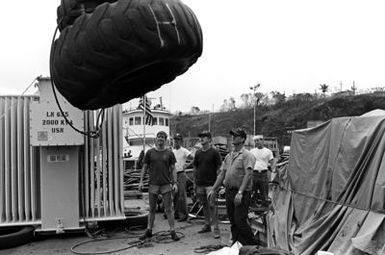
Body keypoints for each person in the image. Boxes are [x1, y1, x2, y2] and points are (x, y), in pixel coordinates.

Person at [209, 128, 258, 245]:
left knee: (240, 220)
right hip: (229, 192)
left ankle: (254, 246)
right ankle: (237, 244)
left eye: (236, 136)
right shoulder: (229, 156)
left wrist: (240, 193)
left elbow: (249, 174)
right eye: (232, 136)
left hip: (240, 193)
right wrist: (214, 189)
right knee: (233, 221)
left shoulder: (247, 155)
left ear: (242, 139)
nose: (233, 138)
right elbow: (222, 174)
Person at [138, 131, 180, 241]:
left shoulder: (170, 153)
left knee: (169, 209)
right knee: (151, 209)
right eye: (159, 137)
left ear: (165, 140)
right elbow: (144, 167)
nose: (160, 139)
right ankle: (149, 230)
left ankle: (172, 231)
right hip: (153, 185)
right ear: (156, 139)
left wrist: (175, 183)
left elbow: (173, 169)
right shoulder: (150, 153)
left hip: (166, 185)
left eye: (163, 137)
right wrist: (141, 181)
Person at [193, 130, 222, 239]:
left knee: (212, 205)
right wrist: (195, 182)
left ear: (209, 139)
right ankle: (207, 225)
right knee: (204, 205)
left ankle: (216, 229)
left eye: (204, 137)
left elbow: (220, 168)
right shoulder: (198, 153)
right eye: (200, 137)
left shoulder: (214, 152)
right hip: (200, 183)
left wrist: (217, 185)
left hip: (211, 184)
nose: (201, 139)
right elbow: (195, 167)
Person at [249, 135, 276, 207]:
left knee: (264, 190)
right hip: (254, 173)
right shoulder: (252, 151)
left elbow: (272, 162)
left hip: (263, 173)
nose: (257, 142)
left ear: (262, 141)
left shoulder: (268, 151)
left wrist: (273, 171)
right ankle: (252, 205)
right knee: (253, 190)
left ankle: (264, 205)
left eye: (259, 140)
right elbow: (249, 162)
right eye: (256, 141)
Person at [172, 133, 193, 222]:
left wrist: (187, 166)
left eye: (178, 140)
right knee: (175, 195)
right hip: (173, 175)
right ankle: (176, 213)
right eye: (175, 139)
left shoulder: (184, 151)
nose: (176, 141)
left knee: (181, 195)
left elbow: (194, 158)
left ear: (181, 141)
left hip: (181, 174)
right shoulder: (172, 151)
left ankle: (184, 215)